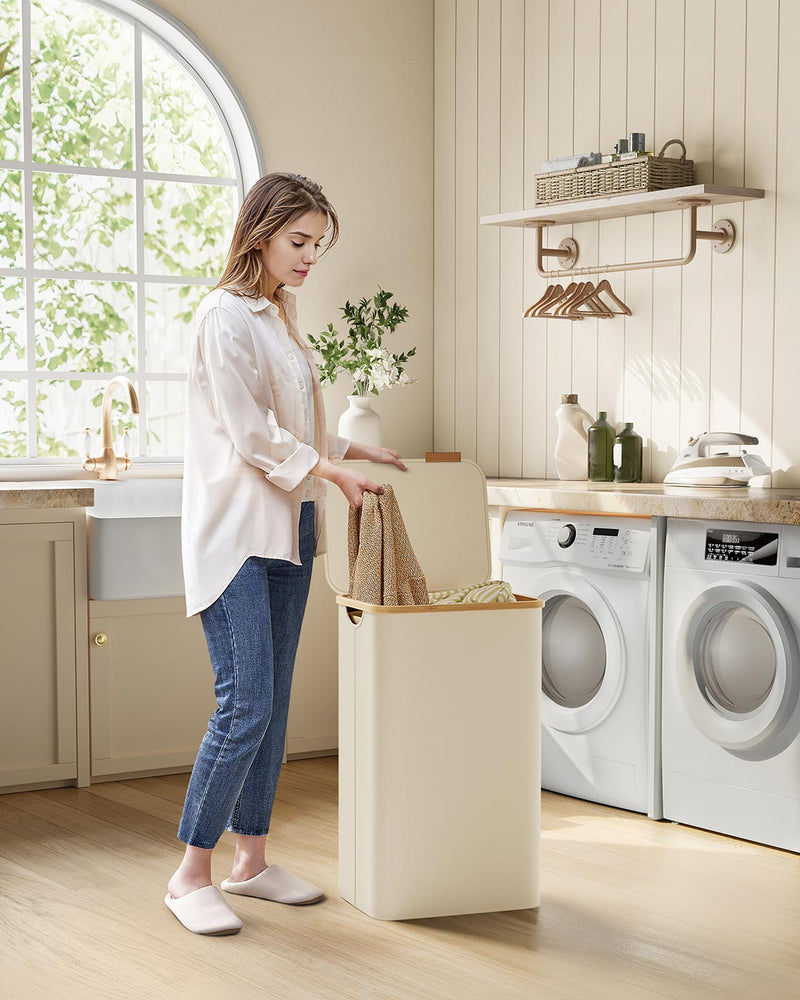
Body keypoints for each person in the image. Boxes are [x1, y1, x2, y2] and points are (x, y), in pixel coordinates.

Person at [165, 172, 407, 936]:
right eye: (298, 242)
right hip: (238, 533)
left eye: (317, 245)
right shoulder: (223, 316)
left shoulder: (278, 312)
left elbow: (289, 417)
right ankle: (190, 874)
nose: (309, 258)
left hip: (293, 529)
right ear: (260, 234)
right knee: (245, 705)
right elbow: (249, 431)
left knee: (273, 711)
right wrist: (329, 470)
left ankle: (252, 862)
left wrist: (345, 445)